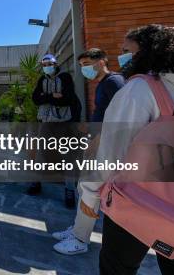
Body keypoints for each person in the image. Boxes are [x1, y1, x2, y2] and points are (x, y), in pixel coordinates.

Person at [78, 25, 174, 274]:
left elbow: (113, 151)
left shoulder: (139, 89)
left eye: (127, 50)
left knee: (117, 266)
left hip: (135, 195)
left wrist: (89, 193)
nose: (123, 56)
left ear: (149, 52)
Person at [52, 48, 125, 255]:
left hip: (106, 146)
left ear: (101, 61)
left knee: (89, 190)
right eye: (81, 65)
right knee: (85, 189)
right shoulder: (104, 83)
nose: (84, 69)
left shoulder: (113, 82)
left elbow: (120, 117)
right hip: (100, 142)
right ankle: (77, 229)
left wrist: (97, 140)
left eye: (86, 64)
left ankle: (79, 239)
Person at [29, 54, 82, 208]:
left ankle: (69, 190)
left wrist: (45, 97)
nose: (46, 66)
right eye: (44, 64)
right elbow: (35, 99)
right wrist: (52, 96)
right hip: (46, 122)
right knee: (41, 153)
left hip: (64, 123)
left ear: (55, 63)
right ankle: (36, 183)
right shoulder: (42, 80)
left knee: (67, 157)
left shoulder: (65, 77)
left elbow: (68, 99)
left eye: (49, 63)